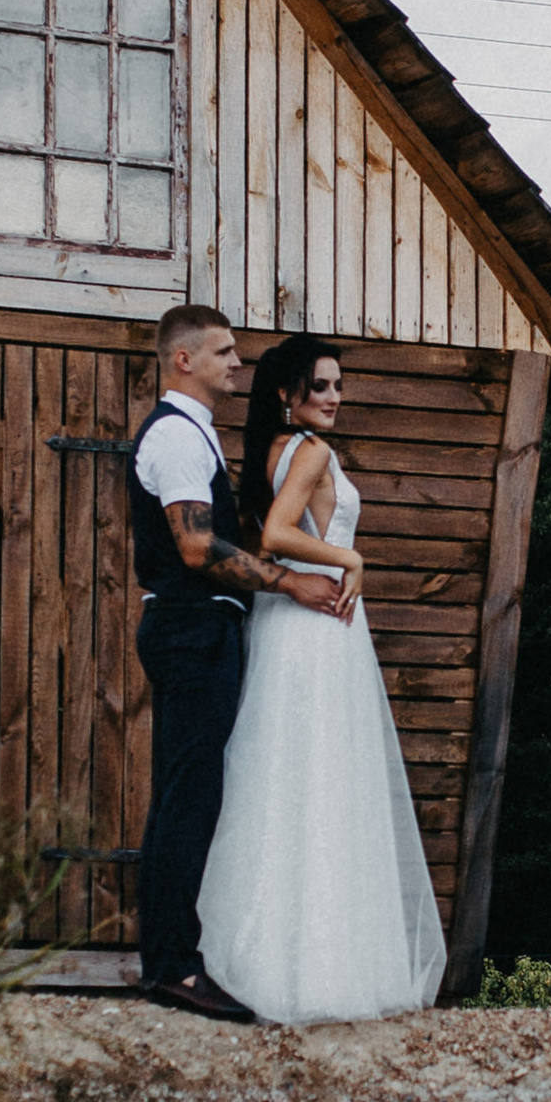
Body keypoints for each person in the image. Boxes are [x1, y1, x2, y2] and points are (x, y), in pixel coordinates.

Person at [194, 334, 447, 1025]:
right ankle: (330, 969)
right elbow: (276, 535)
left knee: (284, 780)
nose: (335, 397)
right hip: (319, 624)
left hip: (285, 625)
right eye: (322, 386)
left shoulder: (270, 453)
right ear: (287, 393)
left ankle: (272, 960)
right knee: (329, 782)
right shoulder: (311, 451)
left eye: (339, 385)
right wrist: (350, 556)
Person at [128, 305, 340, 1023]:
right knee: (187, 797)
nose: (237, 364)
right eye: (224, 352)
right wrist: (292, 581)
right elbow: (196, 549)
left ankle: (173, 959)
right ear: (183, 359)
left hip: (200, 628)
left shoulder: (195, 436)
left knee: (192, 793)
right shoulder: (176, 440)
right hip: (190, 627)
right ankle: (171, 968)